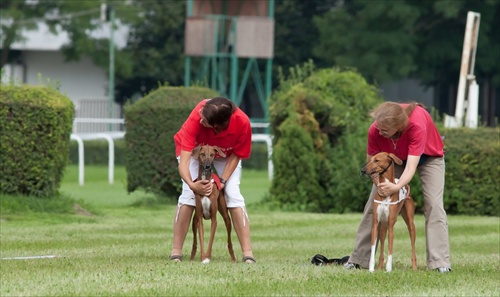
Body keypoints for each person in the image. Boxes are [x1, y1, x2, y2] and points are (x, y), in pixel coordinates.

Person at [344, 101, 452, 273]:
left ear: (397, 127)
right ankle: (359, 259)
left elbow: (410, 168)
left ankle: (440, 262)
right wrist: (380, 186)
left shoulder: (416, 125)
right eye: (378, 128)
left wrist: (397, 187)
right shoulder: (375, 130)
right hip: (394, 159)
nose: (379, 132)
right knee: (374, 203)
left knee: (433, 204)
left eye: (384, 130)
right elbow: (371, 166)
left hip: (429, 157)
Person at [169, 96, 256, 264]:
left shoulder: (243, 122)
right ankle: (176, 251)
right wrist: (193, 185)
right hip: (196, 151)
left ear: (216, 127)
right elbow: (185, 163)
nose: (200, 115)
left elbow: (237, 155)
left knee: (232, 193)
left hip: (227, 154)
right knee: (188, 194)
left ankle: (248, 253)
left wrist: (222, 181)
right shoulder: (198, 115)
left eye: (205, 119)